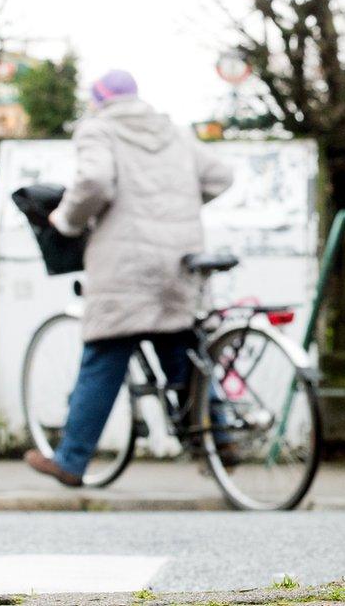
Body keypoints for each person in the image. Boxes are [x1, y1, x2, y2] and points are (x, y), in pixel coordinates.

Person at [24, 69, 233, 486]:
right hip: (179, 259)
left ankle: (71, 460)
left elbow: (95, 181)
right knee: (182, 351)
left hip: (126, 264)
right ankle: (219, 440)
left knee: (104, 356)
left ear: (99, 99)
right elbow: (220, 177)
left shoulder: (99, 129)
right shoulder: (170, 130)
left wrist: (65, 221)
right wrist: (180, 204)